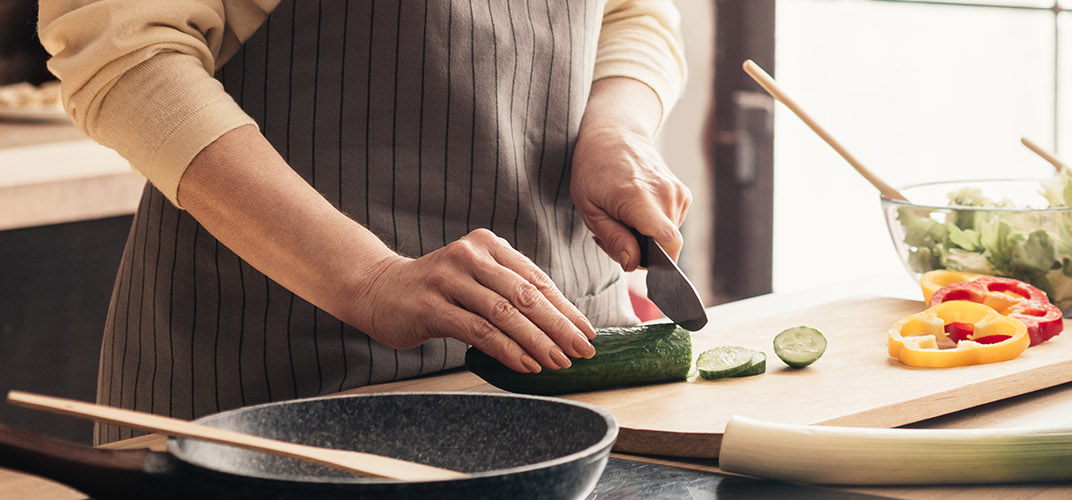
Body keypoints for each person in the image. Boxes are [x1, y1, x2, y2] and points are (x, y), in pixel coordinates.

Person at [38, 0, 690, 443]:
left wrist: (616, 125)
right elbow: (123, 50)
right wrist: (367, 278)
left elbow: (634, 12)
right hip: (275, 391)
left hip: (573, 385)